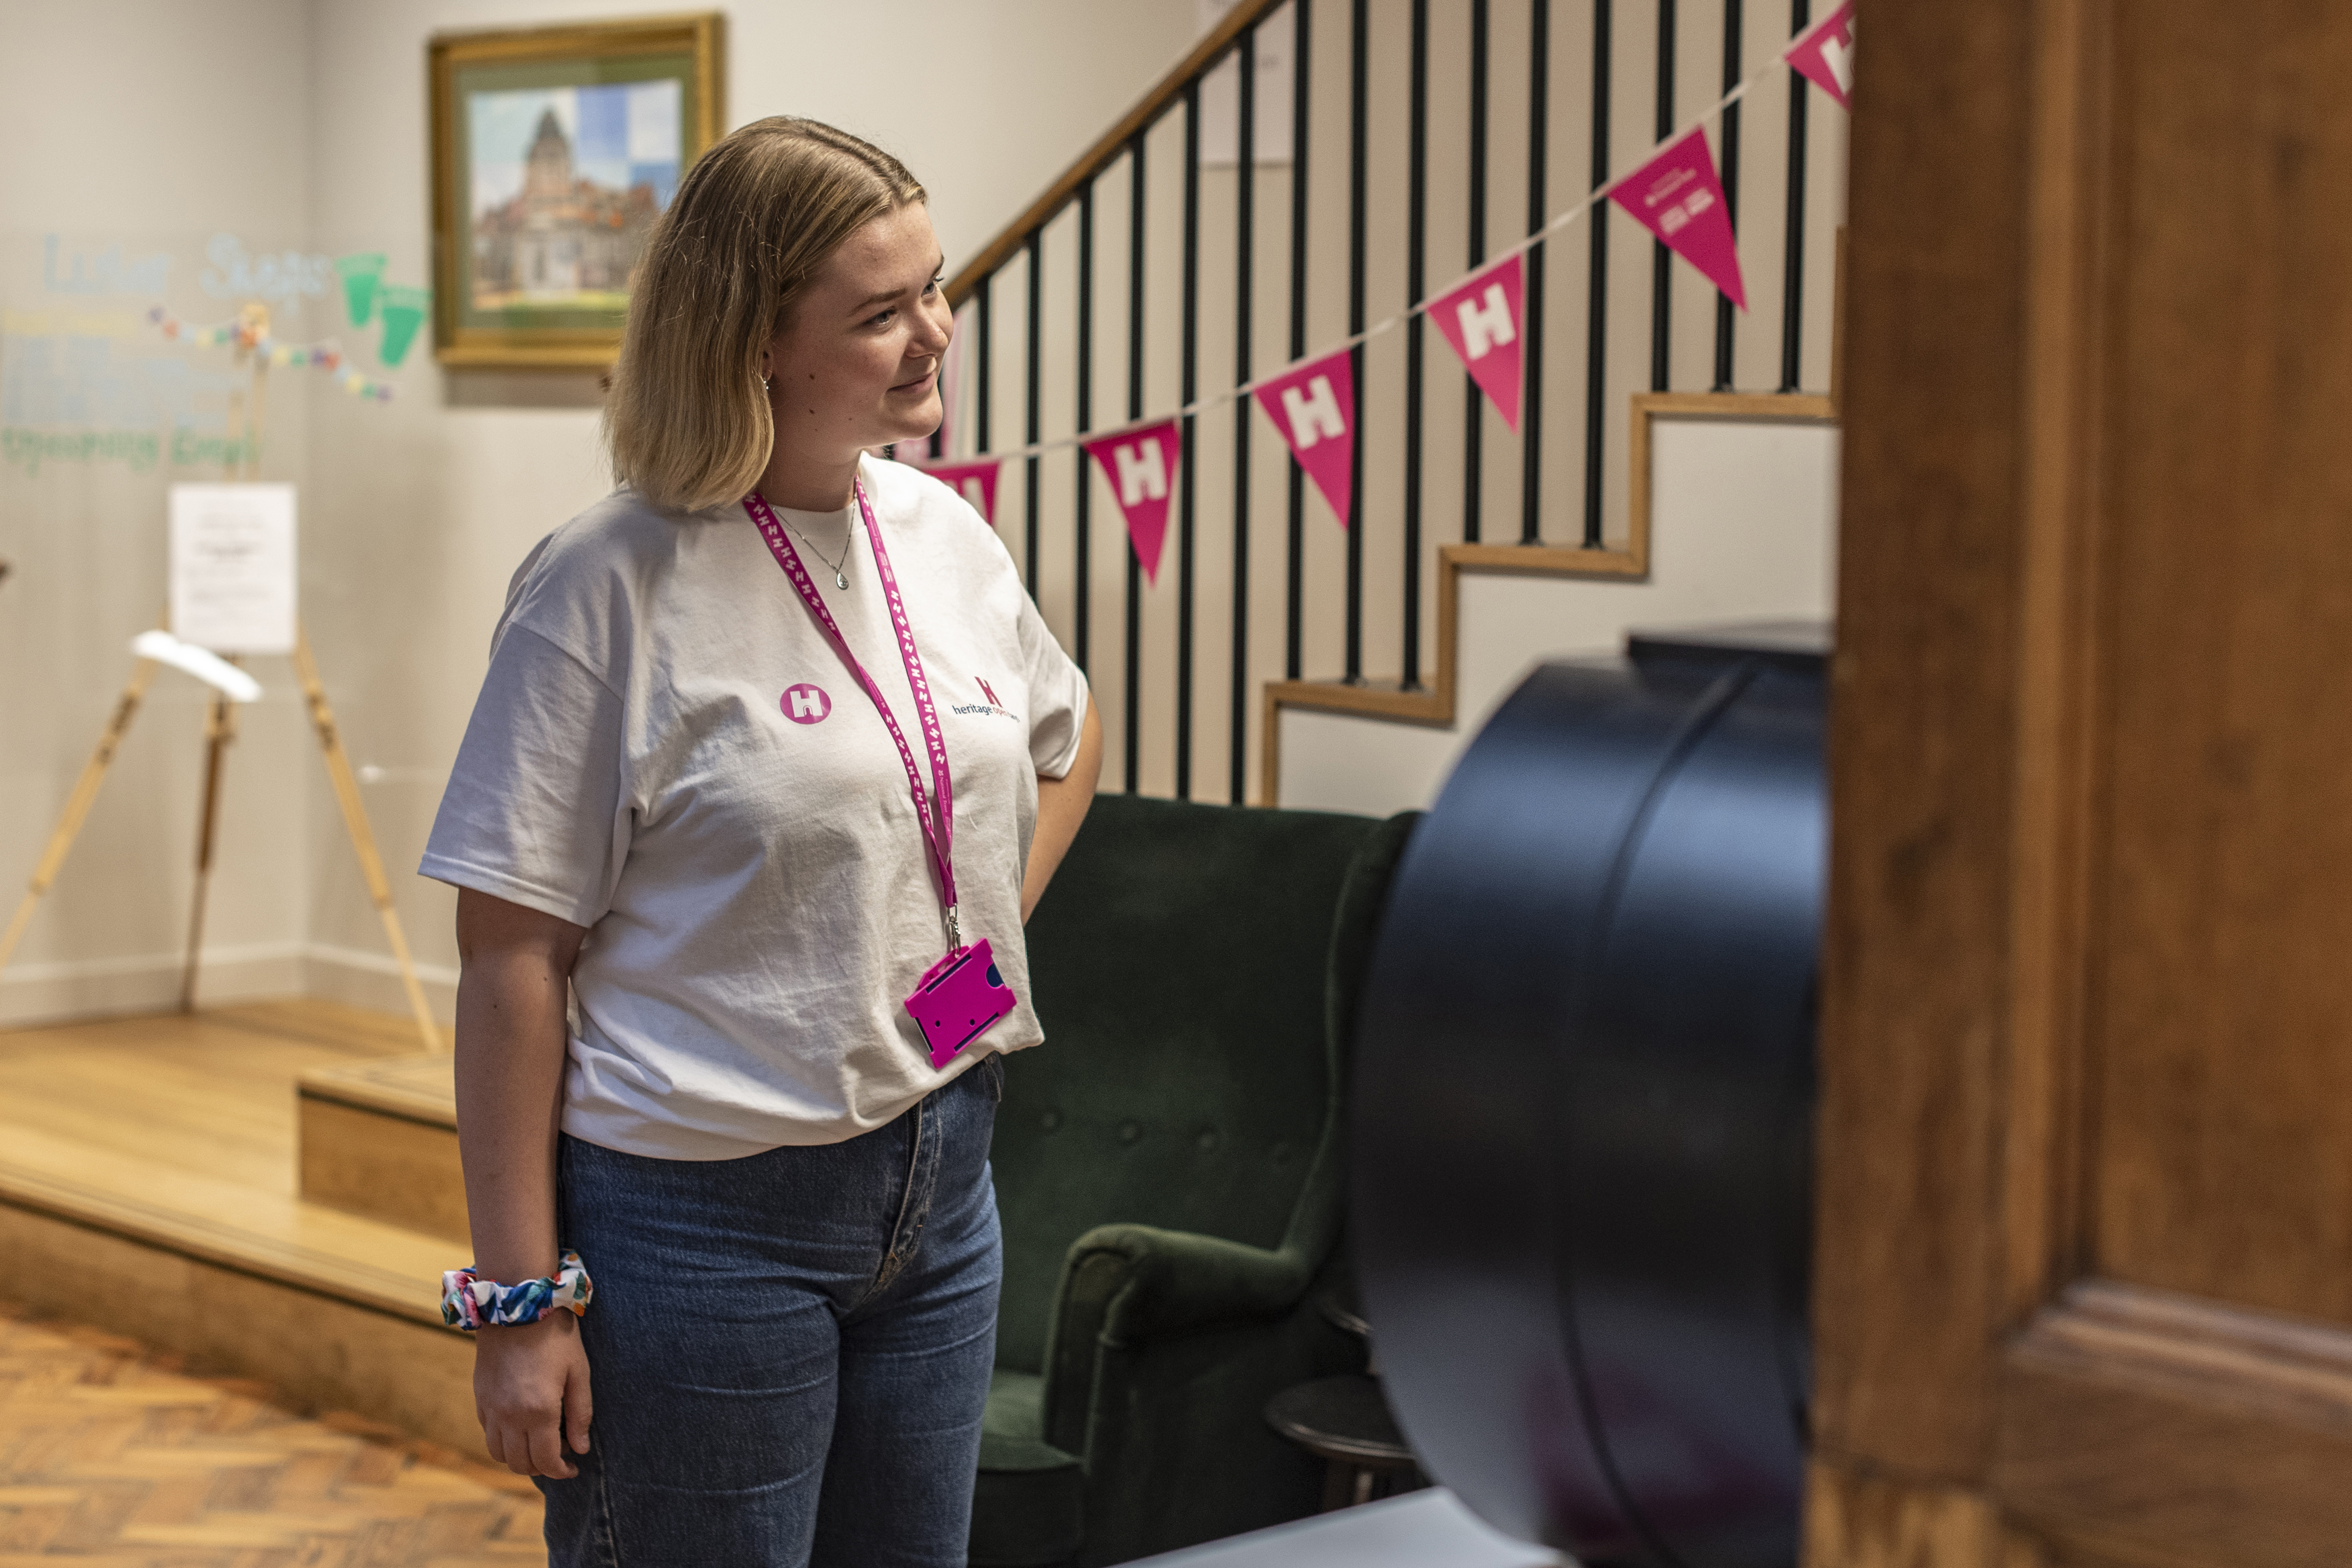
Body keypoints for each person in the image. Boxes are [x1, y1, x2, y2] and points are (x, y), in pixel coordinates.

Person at [420, 116, 1103, 1566]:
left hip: (942, 1193)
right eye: (880, 311)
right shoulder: (607, 583)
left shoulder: (944, 535)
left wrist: (981, 945)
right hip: (696, 1226)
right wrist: (520, 1302)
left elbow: (1069, 732)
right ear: (753, 342)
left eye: (935, 284)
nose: (936, 332)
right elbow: (509, 958)